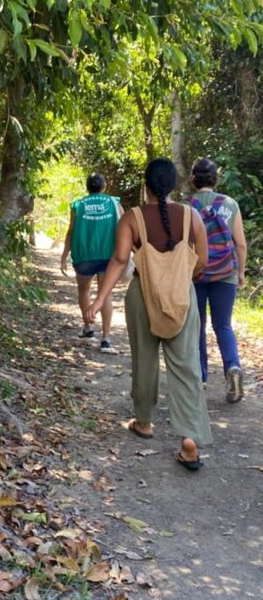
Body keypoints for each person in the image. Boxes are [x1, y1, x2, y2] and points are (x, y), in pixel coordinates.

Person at [86, 158, 211, 471]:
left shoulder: (132, 217)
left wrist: (99, 300)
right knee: (187, 365)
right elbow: (203, 260)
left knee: (144, 358)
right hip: (182, 296)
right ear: (174, 184)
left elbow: (119, 260)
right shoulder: (192, 216)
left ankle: (143, 422)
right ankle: (189, 440)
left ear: (146, 185)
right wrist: (181, 278)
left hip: (142, 295)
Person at [189, 158, 247, 403]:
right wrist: (240, 272)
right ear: (216, 178)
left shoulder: (187, 206)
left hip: (196, 273)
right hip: (226, 273)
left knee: (197, 325)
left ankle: (200, 378)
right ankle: (233, 366)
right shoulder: (230, 204)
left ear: (193, 179)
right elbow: (240, 244)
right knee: (223, 325)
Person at [60, 173, 121, 353]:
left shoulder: (78, 205)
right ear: (104, 186)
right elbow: (124, 226)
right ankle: (106, 340)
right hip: (108, 255)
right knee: (106, 295)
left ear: (87, 187)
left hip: (84, 255)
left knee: (84, 290)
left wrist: (64, 255)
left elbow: (71, 232)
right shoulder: (114, 202)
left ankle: (88, 329)